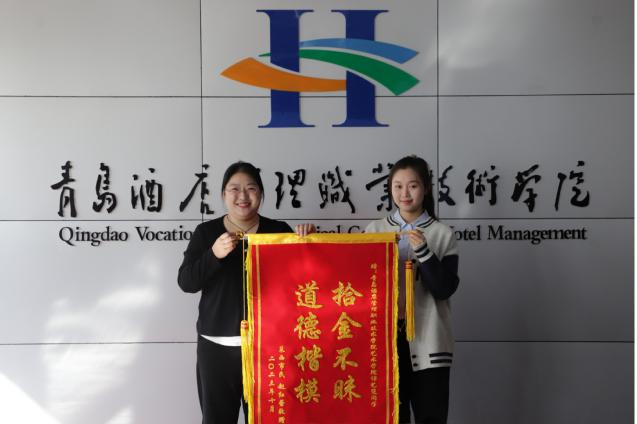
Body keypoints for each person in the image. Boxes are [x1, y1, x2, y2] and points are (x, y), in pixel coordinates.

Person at [177, 161, 314, 424]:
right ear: (223, 195)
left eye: (251, 188)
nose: (243, 196)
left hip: (269, 347)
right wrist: (214, 254)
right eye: (234, 189)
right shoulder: (207, 232)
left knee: (269, 419)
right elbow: (186, 282)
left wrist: (309, 243)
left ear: (261, 194)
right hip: (216, 347)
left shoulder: (279, 231)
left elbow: (305, 281)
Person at [365, 155, 460, 424]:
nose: (404, 194)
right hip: (384, 341)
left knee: (431, 416)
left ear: (426, 188)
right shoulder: (375, 230)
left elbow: (444, 289)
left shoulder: (442, 234)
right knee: (391, 418)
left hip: (429, 341)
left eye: (413, 186)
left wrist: (424, 252)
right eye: (397, 186)